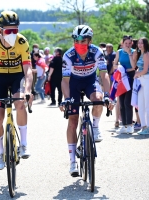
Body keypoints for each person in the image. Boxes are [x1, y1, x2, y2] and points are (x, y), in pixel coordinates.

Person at [0, 11, 34, 170]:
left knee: (20, 104)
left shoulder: (22, 41)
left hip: (17, 77)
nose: (12, 34)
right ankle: (0, 152)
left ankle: (23, 144)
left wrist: (28, 90)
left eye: (15, 30)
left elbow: (28, 70)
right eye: (8, 31)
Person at [59, 25, 113, 176]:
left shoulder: (97, 52)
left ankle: (95, 127)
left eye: (84, 40)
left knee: (98, 99)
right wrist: (67, 99)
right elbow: (64, 80)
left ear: (90, 41)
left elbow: (104, 75)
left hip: (90, 81)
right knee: (73, 121)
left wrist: (107, 95)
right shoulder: (68, 55)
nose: (80, 43)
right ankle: (72, 162)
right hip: (73, 84)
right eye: (77, 40)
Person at [133, 37, 149, 134]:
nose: (140, 45)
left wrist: (137, 74)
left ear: (146, 44)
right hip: (141, 81)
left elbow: (146, 70)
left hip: (148, 80)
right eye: (139, 43)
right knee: (141, 104)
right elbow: (138, 67)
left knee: (148, 104)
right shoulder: (140, 54)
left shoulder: (147, 54)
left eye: (142, 43)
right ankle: (144, 126)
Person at [114, 35, 136, 134]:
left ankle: (130, 124)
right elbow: (114, 64)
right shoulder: (119, 52)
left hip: (130, 76)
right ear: (122, 43)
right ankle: (124, 125)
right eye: (125, 43)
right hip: (121, 76)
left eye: (129, 43)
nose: (127, 45)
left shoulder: (134, 52)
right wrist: (118, 67)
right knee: (121, 102)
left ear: (132, 43)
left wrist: (129, 53)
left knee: (128, 102)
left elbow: (134, 66)